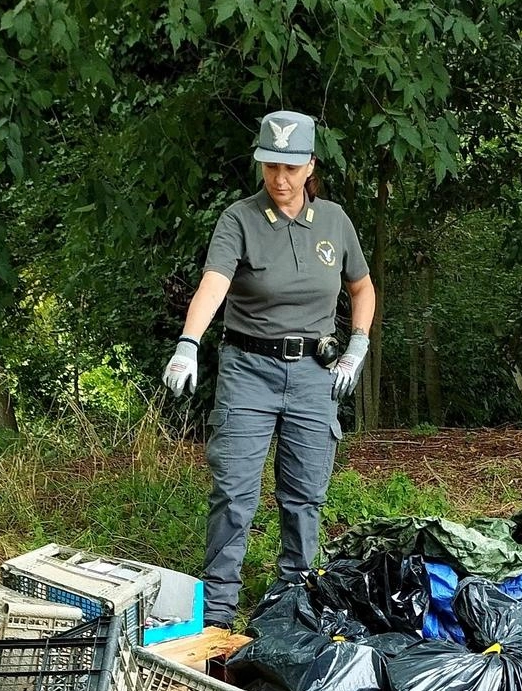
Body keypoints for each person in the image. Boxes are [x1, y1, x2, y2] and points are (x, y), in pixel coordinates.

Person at [161, 110, 376, 629]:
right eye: (271, 166)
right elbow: (214, 283)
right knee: (234, 492)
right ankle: (216, 617)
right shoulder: (239, 219)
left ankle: (291, 608)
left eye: (291, 167)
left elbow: (361, 287)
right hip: (247, 371)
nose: (280, 179)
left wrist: (358, 345)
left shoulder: (335, 222)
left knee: (304, 495)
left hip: (313, 375)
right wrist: (188, 343)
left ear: (310, 167)